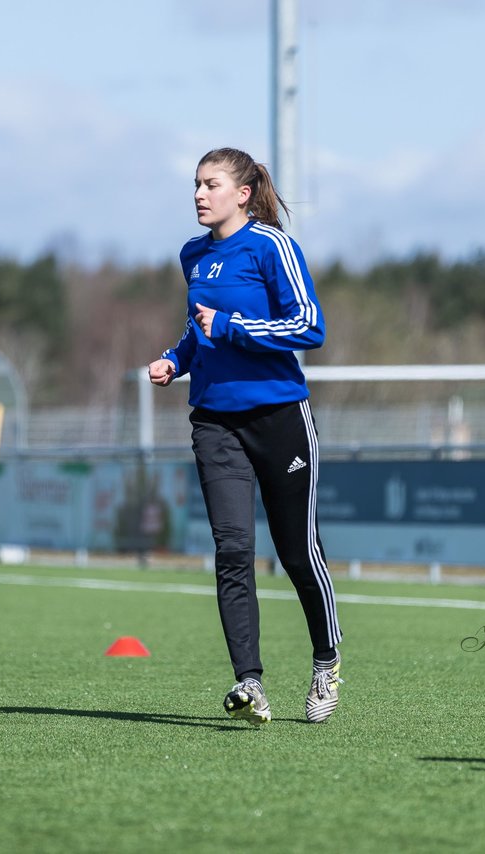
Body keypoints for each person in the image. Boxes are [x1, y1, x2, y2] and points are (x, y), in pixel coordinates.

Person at [148, 147, 342, 725]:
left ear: (243, 193)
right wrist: (175, 358)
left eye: (211, 185)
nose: (199, 195)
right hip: (213, 421)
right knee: (232, 551)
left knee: (296, 552)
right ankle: (249, 683)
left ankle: (326, 662)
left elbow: (310, 327)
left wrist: (230, 327)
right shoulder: (192, 254)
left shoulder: (272, 246)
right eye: (196, 185)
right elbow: (198, 327)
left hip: (279, 418)